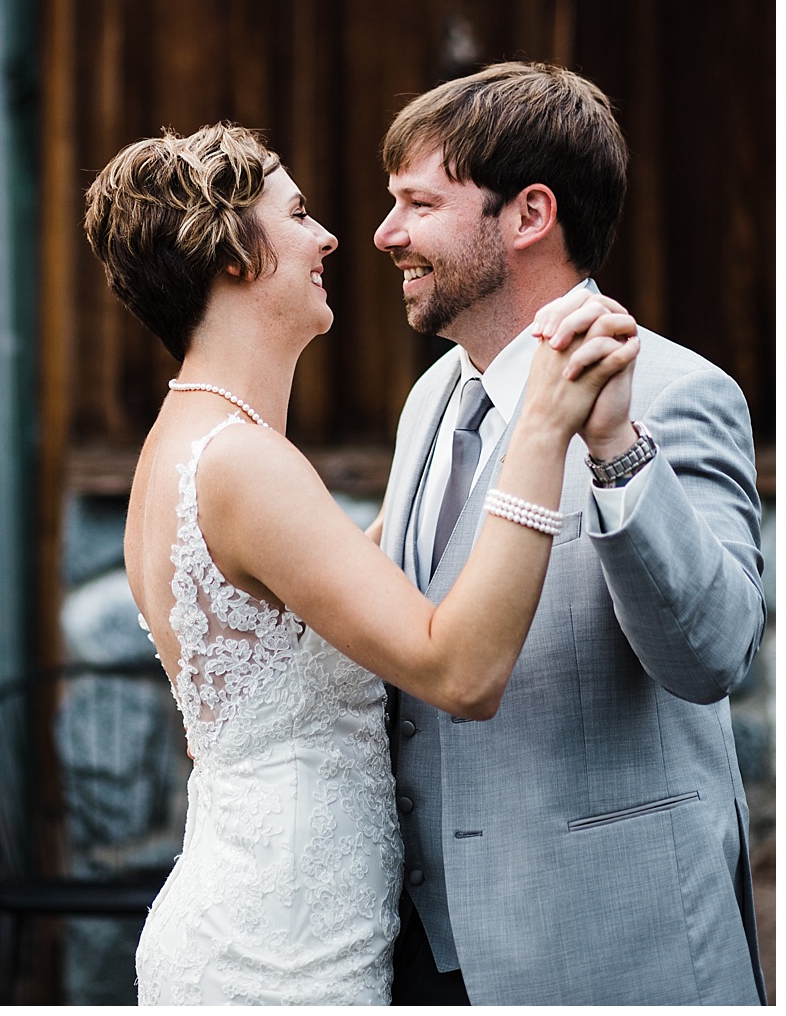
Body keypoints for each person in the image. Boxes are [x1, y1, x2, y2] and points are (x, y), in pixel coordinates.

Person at [84, 122, 639, 1006]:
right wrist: (540, 425)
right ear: (233, 255)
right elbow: (460, 672)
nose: (331, 237)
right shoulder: (243, 463)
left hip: (260, 911)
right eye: (297, 213)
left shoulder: (187, 447)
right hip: (285, 953)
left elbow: (329, 603)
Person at [372, 60, 767, 1006]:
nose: (388, 235)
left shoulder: (679, 394)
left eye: (418, 205)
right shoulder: (432, 397)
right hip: (427, 958)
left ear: (528, 215)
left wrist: (619, 451)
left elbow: (714, 655)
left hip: (609, 947)